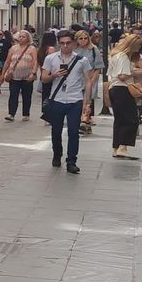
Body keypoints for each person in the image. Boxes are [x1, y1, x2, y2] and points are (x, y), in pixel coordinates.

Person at [41, 30, 95, 174]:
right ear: (59, 43)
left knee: (73, 132)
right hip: (57, 99)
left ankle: (71, 161)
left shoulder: (81, 60)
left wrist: (87, 102)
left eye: (68, 43)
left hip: (75, 100)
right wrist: (54, 75)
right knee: (56, 131)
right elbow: (43, 78)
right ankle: (57, 155)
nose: (65, 46)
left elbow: (88, 81)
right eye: (62, 43)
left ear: (73, 43)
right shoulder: (51, 58)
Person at [107, 33, 142, 159]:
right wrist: (135, 73)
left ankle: (116, 147)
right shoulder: (123, 57)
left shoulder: (115, 55)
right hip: (122, 89)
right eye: (138, 45)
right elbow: (122, 76)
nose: (139, 48)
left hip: (114, 89)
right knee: (132, 119)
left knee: (119, 120)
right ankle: (123, 147)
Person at [0, 30, 39, 122]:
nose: (21, 38)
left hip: (27, 76)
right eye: (20, 36)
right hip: (14, 75)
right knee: (13, 94)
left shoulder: (32, 49)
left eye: (23, 37)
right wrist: (3, 74)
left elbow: (36, 62)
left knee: (27, 95)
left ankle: (26, 114)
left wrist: (33, 73)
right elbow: (8, 61)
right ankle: (11, 114)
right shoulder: (13, 48)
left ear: (28, 38)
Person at [76, 29, 105, 133]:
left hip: (90, 77)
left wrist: (93, 80)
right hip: (77, 79)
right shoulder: (74, 50)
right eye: (81, 38)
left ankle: (85, 121)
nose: (83, 40)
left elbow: (98, 66)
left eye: (85, 38)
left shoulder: (93, 49)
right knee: (78, 101)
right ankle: (85, 122)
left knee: (87, 100)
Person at [36, 31, 58, 122]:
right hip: (51, 74)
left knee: (45, 95)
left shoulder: (40, 50)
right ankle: (49, 114)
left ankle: (45, 112)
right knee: (52, 95)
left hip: (43, 74)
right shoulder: (51, 49)